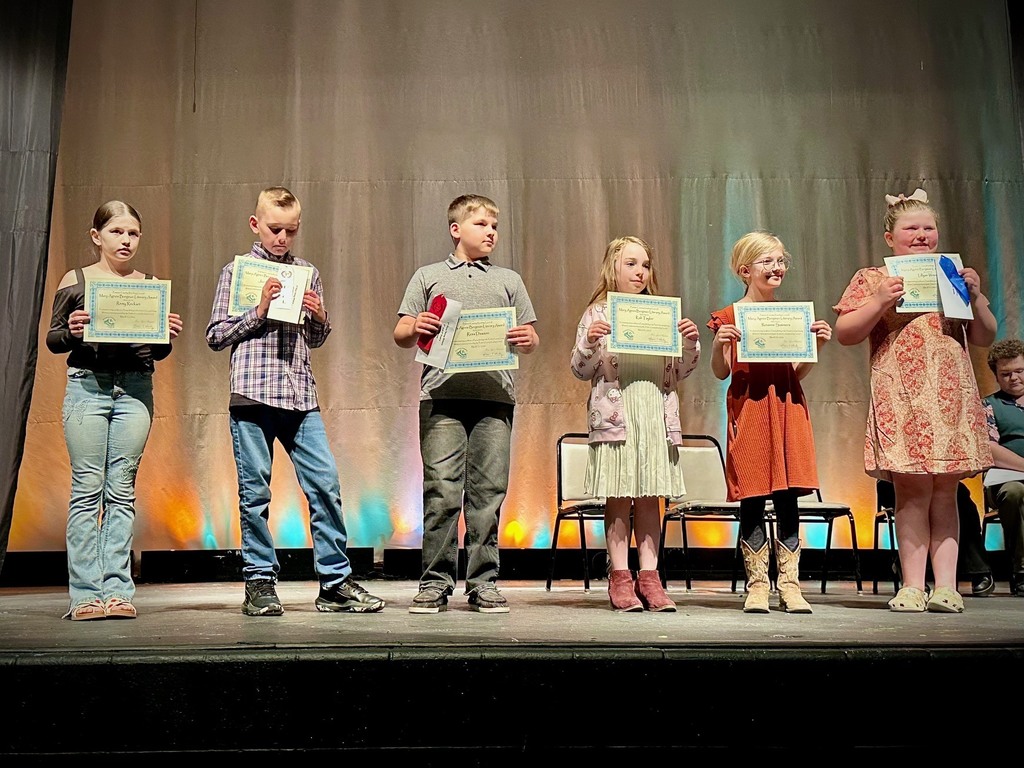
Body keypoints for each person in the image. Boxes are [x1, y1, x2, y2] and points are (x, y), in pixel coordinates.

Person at [206, 186, 384, 616]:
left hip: (300, 395)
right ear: (255, 224)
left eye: (289, 230)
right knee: (255, 494)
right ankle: (260, 582)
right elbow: (215, 336)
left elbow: (316, 338)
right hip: (252, 395)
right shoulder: (238, 272)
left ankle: (335, 583)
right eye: (274, 229)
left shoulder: (307, 271)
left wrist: (321, 317)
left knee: (325, 486)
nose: (281, 238)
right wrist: (258, 310)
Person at [834, 188, 996, 613]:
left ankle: (947, 586)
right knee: (911, 493)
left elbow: (984, 336)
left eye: (928, 227)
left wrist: (974, 296)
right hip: (900, 396)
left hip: (949, 397)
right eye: (911, 228)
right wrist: (879, 300)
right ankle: (911, 585)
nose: (921, 235)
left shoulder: (952, 273)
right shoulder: (872, 278)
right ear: (891, 237)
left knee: (946, 491)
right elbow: (846, 332)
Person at [394, 194, 539, 614]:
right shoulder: (429, 276)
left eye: (494, 226)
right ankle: (435, 582)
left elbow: (529, 335)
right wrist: (415, 324)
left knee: (488, 495)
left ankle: (483, 582)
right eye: (481, 225)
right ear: (456, 229)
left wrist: (528, 340)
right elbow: (402, 331)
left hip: (495, 400)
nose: (491, 232)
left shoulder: (508, 280)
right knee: (441, 491)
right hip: (442, 399)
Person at [46, 201, 183, 620]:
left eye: (133, 233)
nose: (125, 240)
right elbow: (54, 340)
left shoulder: (149, 283)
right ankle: (85, 595)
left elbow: (156, 351)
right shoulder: (78, 279)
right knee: (88, 489)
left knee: (121, 490)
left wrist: (166, 332)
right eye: (117, 232)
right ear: (97, 236)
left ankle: (118, 591)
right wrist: (70, 331)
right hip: (88, 387)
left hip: (135, 389)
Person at [569, 236, 700, 612]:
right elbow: (579, 370)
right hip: (617, 417)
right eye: (631, 263)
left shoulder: (661, 312)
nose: (640, 271)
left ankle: (651, 578)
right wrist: (589, 344)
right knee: (619, 494)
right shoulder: (598, 313)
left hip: (654, 418)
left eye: (645, 264)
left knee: (649, 498)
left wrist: (689, 343)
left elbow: (680, 370)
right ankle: (620, 577)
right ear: (613, 266)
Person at [708, 231, 832, 613]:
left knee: (788, 497)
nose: (776, 267)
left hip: (787, 407)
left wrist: (818, 346)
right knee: (753, 496)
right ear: (746, 270)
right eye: (767, 261)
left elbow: (798, 371)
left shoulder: (792, 316)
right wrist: (719, 343)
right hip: (751, 410)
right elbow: (721, 372)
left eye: (780, 261)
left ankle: (791, 585)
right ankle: (758, 584)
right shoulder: (728, 316)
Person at [876, 480, 994, 596]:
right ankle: (913, 577)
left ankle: (977, 569)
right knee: (919, 493)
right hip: (896, 480)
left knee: (957, 494)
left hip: (936, 475)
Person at [982, 338, 1024, 596]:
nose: (1014, 378)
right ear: (996, 376)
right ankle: (1021, 570)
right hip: (1006, 479)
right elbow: (989, 448)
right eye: (1006, 374)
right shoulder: (989, 405)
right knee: (1014, 493)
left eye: (1020, 371)